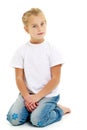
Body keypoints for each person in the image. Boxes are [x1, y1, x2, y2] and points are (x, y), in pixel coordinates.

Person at [7, 8, 71, 127]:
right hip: (28, 94)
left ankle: (59, 110)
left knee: (37, 121)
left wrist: (37, 97)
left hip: (47, 95)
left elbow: (55, 79)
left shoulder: (52, 50)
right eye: (34, 26)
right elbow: (19, 78)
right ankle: (31, 110)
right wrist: (27, 97)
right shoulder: (21, 51)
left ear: (46, 23)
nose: (40, 28)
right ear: (27, 29)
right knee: (13, 119)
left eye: (42, 24)